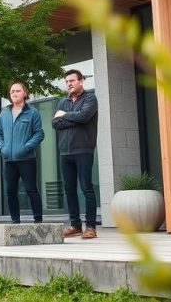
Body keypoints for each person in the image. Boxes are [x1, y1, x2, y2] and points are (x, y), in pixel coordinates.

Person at [52, 68, 98, 239]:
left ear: (81, 81)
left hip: (83, 150)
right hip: (65, 152)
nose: (69, 84)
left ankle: (91, 227)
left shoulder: (90, 98)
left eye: (72, 81)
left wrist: (65, 116)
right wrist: (73, 117)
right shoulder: (63, 102)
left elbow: (85, 116)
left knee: (86, 188)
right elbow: (55, 123)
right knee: (69, 190)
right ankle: (76, 226)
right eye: (67, 82)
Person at [0, 81, 45, 224]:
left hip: (27, 159)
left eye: (17, 91)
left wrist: (27, 147)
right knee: (10, 192)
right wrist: (1, 148)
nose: (14, 93)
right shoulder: (4, 113)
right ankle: (15, 221)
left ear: (25, 93)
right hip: (9, 160)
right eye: (12, 92)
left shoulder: (32, 113)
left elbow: (39, 134)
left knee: (31, 189)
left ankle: (38, 220)